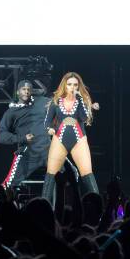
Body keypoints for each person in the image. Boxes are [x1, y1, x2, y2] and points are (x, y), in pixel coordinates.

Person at [42, 72, 100, 204]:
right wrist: (49, 129)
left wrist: (81, 100)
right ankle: (43, 209)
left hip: (79, 140)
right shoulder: (56, 101)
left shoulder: (81, 101)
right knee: (51, 175)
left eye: (75, 85)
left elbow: (84, 118)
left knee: (87, 174)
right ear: (64, 85)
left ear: (79, 87)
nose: (72, 87)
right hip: (59, 139)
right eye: (69, 84)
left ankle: (97, 208)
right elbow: (46, 122)